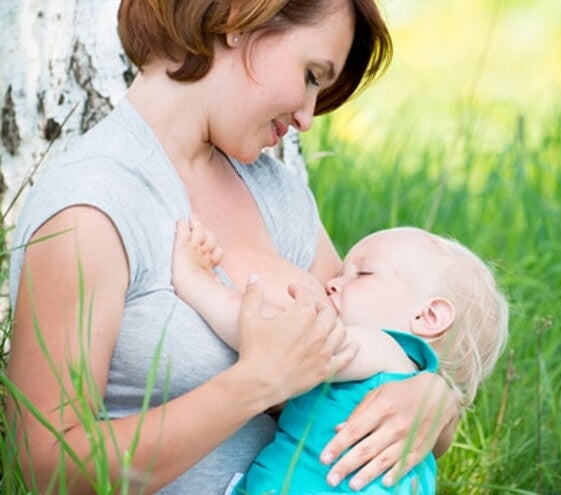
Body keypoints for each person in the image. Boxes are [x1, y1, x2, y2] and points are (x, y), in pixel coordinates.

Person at [7, 1, 463, 493]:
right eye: (311, 75)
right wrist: (253, 386)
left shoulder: (276, 194)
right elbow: (44, 466)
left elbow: (369, 353)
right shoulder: (95, 207)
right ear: (241, 21)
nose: (309, 117)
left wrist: (434, 399)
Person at [171, 218, 509, 493]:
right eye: (341, 271)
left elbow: (272, 335)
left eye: (362, 274)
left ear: (428, 317)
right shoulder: (382, 377)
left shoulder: (387, 351)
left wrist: (196, 281)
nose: (332, 283)